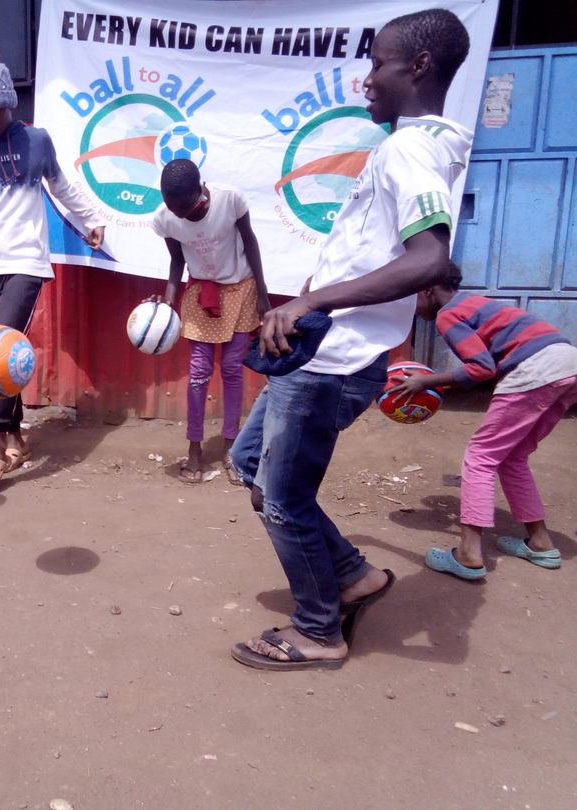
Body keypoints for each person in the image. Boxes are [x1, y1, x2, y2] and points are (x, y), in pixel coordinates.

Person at [227, 8, 473, 670]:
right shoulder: (418, 146)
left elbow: (430, 257)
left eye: (377, 64)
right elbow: (398, 253)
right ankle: (354, 576)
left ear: (418, 66)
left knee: (284, 500)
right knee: (249, 464)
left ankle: (319, 630)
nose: (367, 79)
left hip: (334, 361)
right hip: (321, 350)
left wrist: (311, 299)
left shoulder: (410, 148)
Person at [0, 48, 106, 486]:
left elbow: (63, 187)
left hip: (26, 262)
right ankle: (17, 436)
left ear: (10, 104)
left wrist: (92, 219)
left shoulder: (37, 141)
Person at [390, 265, 577, 579]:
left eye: (412, 298)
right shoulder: (475, 302)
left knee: (480, 457)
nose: (412, 308)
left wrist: (426, 381)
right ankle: (541, 544)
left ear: (427, 290)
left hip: (535, 370)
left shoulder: (448, 314)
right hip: (567, 362)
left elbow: (481, 368)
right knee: (514, 457)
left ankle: (468, 554)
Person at [150, 159, 269, 484]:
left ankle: (232, 448)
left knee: (232, 370)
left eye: (184, 208)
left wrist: (262, 293)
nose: (179, 215)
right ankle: (194, 450)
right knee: (199, 373)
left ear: (200, 191)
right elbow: (177, 259)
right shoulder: (166, 218)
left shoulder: (230, 200)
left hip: (242, 289)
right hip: (202, 293)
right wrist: (169, 301)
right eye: (172, 209)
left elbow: (250, 242)